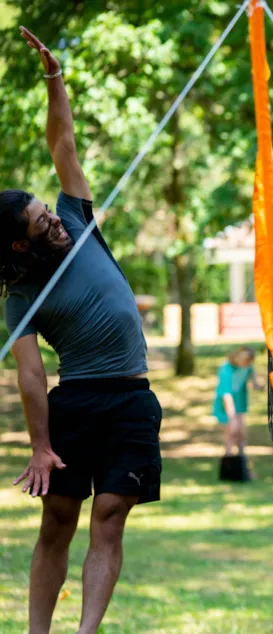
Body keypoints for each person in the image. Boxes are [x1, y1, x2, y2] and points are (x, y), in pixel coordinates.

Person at [2, 28, 163, 634]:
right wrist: (41, 445)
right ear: (20, 242)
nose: (55, 219)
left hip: (132, 395)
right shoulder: (21, 298)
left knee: (113, 512)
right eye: (41, 221)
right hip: (78, 401)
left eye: (50, 209)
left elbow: (62, 142)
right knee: (58, 523)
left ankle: (87, 632)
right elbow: (30, 374)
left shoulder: (77, 216)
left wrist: (54, 79)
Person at [212, 346, 260, 457]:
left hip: (239, 401)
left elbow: (253, 379)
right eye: (244, 361)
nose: (246, 364)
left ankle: (241, 460)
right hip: (226, 404)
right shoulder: (226, 369)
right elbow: (226, 395)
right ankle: (229, 458)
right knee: (231, 432)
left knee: (241, 432)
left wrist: (258, 385)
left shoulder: (247, 366)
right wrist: (232, 418)